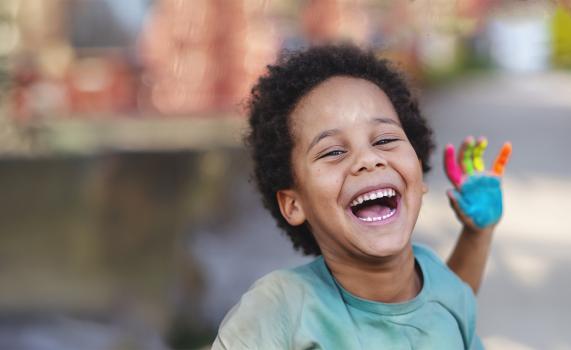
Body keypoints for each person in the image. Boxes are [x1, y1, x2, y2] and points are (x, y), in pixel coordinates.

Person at [212, 43, 511, 350]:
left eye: (384, 139)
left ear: (418, 171)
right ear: (293, 203)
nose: (368, 159)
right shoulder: (279, 310)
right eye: (334, 151)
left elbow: (444, 307)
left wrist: (477, 234)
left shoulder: (447, 291)